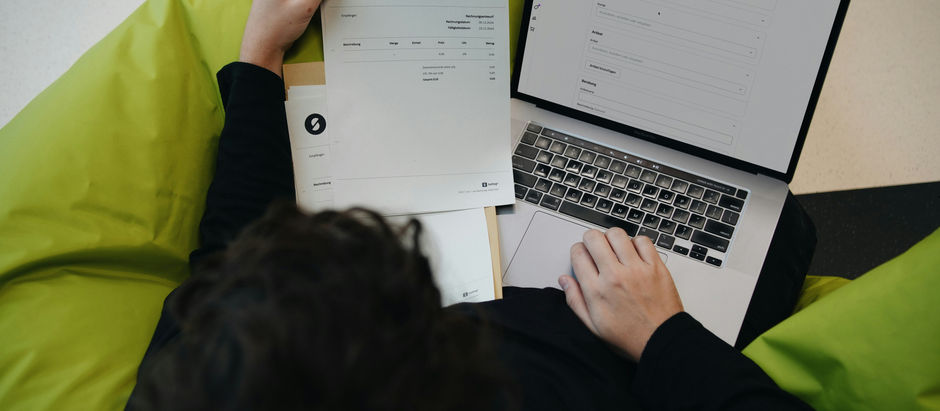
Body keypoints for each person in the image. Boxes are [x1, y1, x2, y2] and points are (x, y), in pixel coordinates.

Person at [126, 0, 817, 409]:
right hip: (631, 331)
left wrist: (260, 57)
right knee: (784, 229)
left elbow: (224, 268)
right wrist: (664, 337)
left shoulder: (207, 377)